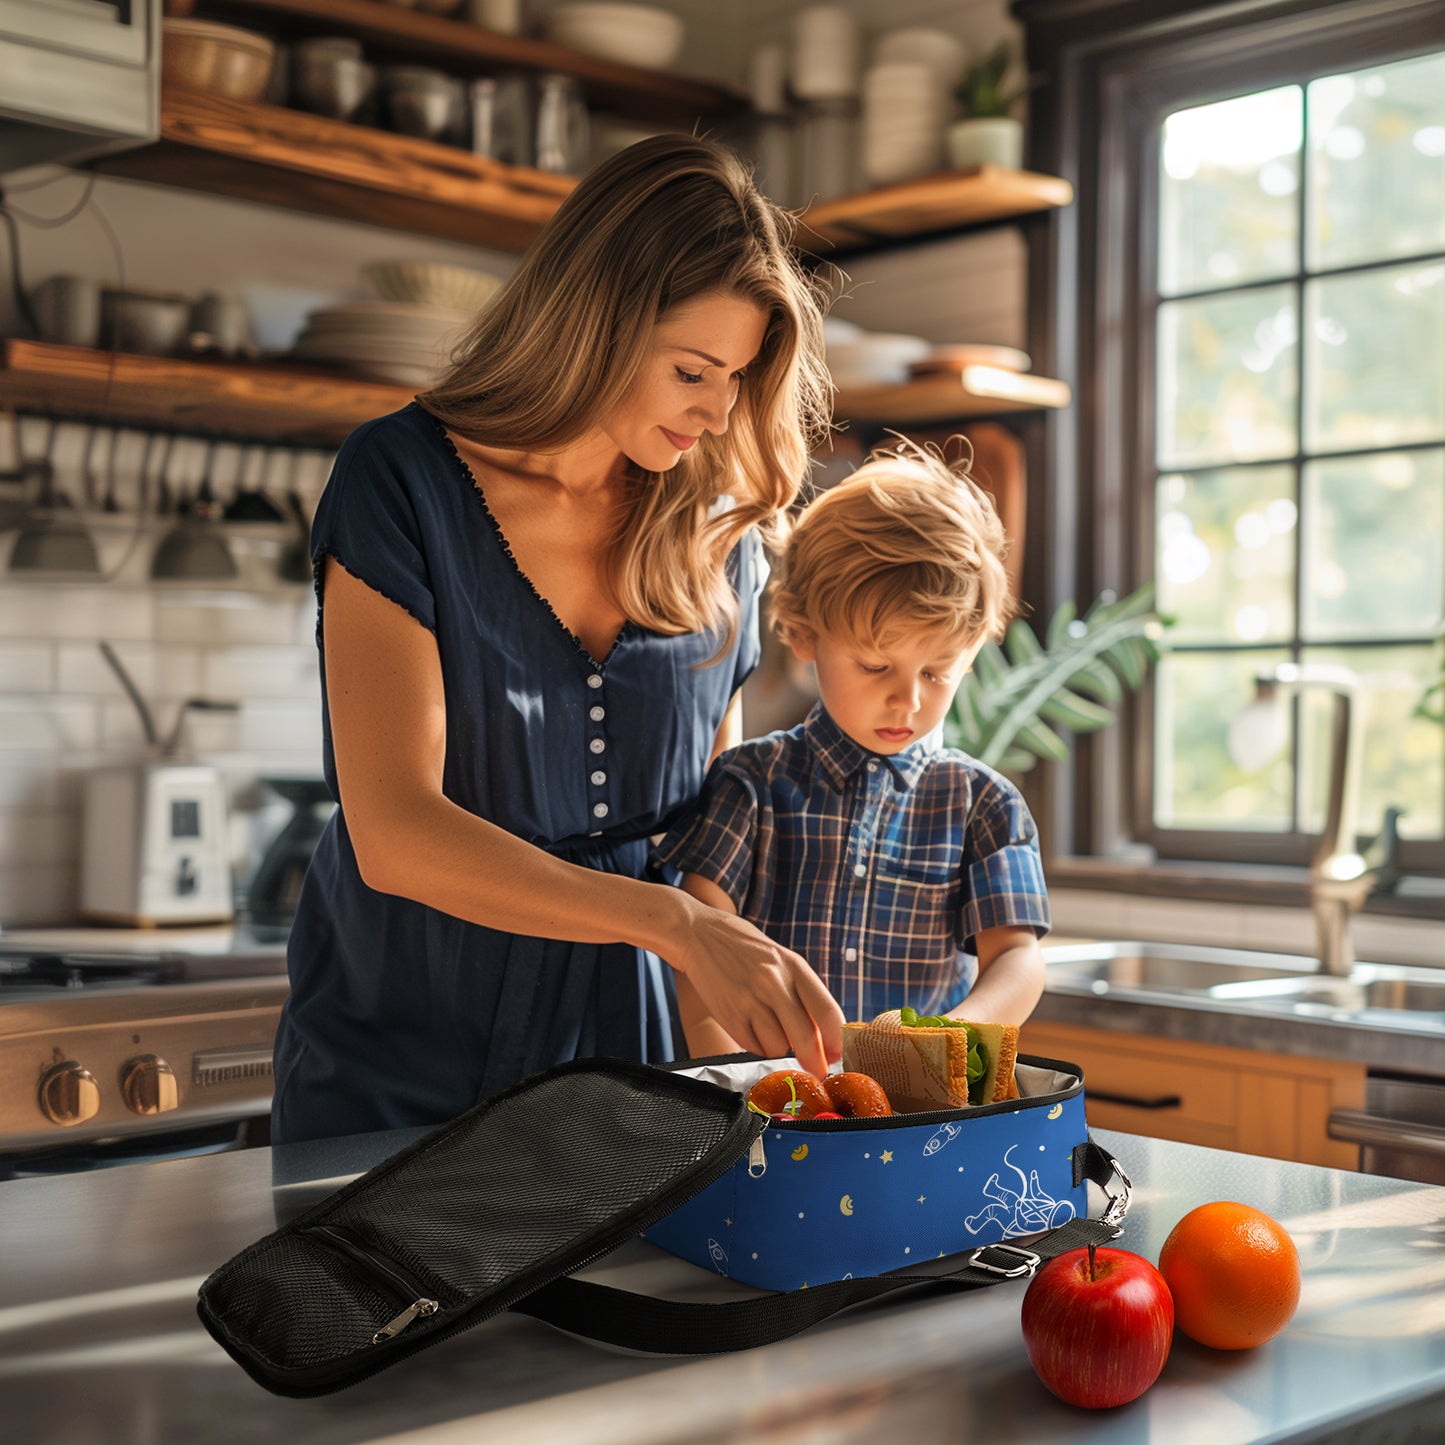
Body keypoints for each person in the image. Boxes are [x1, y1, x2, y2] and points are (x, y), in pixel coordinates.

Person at [270, 134, 846, 1144]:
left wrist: (753, 1069)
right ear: (599, 324)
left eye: (736, 377)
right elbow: (394, 831)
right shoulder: (398, 480)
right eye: (690, 370)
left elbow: (699, 847)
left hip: (627, 1086)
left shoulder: (720, 532)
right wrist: (668, 920)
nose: (716, 412)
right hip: (394, 1070)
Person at [653, 440, 1049, 1059]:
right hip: (774, 1099)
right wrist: (724, 1069)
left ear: (969, 654)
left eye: (937, 673)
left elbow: (1019, 960)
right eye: (874, 665)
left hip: (916, 1110)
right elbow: (701, 944)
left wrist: (947, 1044)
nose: (907, 701)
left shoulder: (985, 806)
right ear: (806, 635)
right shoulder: (750, 784)